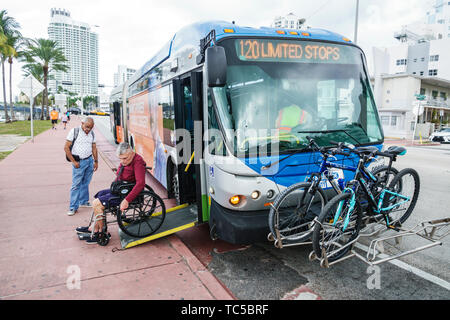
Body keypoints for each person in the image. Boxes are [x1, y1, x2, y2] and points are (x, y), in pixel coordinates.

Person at [76, 142, 146, 244]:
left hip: (127, 193)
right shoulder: (126, 161)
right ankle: (94, 227)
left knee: (97, 204)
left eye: (125, 158)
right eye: (120, 159)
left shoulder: (137, 162)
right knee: (99, 195)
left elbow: (140, 184)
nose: (122, 161)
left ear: (131, 153)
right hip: (121, 188)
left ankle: (99, 231)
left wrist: (127, 200)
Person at [64, 117, 98, 216]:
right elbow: (66, 147)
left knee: (86, 182)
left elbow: (94, 147)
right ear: (82, 123)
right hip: (79, 162)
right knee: (76, 185)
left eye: (90, 128)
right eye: (87, 127)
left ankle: (83, 201)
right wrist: (73, 161)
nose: (88, 129)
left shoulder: (92, 133)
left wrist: (96, 161)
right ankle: (73, 207)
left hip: (89, 161)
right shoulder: (74, 131)